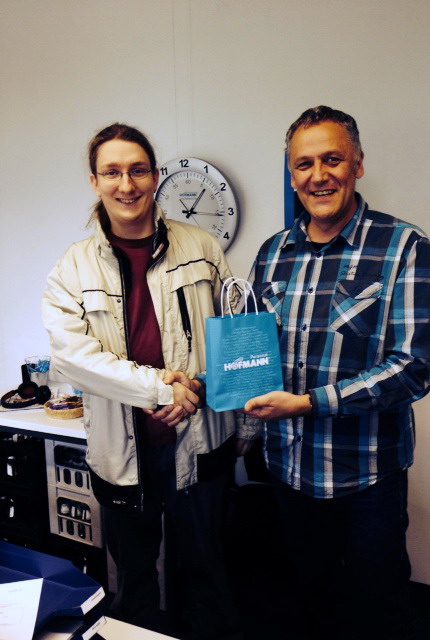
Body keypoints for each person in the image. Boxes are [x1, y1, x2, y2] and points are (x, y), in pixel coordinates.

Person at [42, 123, 256, 640]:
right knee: (134, 582)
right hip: (122, 454)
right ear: (94, 181)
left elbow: (234, 336)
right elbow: (73, 358)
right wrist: (162, 389)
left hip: (201, 441)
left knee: (208, 575)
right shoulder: (72, 268)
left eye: (138, 170)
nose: (126, 184)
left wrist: (224, 407)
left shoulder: (201, 246)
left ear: (155, 176)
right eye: (112, 172)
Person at [243, 106, 430, 640]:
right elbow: (253, 353)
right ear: (292, 176)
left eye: (332, 159)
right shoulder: (272, 253)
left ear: (358, 164)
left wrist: (309, 403)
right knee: (312, 604)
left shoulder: (404, 246)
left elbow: (413, 368)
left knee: (379, 610)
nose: (319, 176)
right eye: (304, 164)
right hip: (289, 469)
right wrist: (212, 383)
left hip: (367, 477)